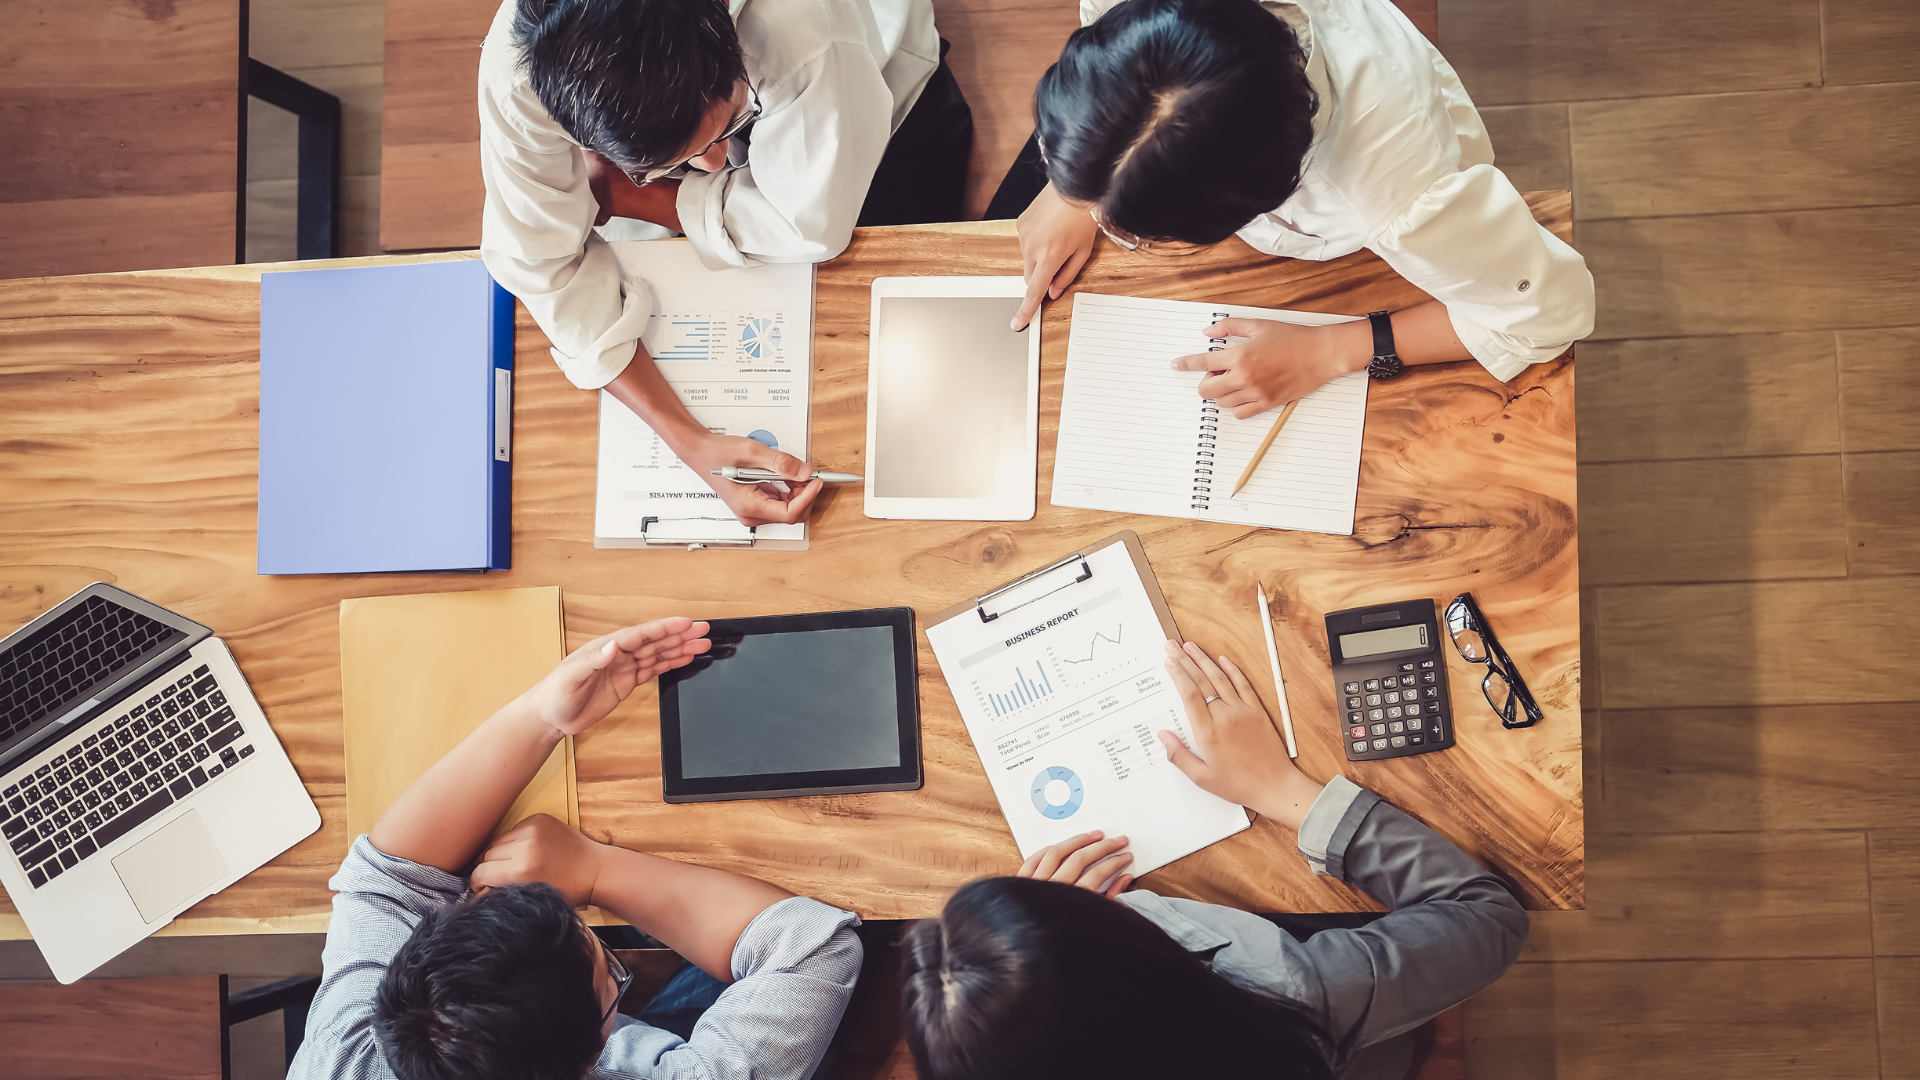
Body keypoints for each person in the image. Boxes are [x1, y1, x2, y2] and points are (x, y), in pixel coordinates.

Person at [900, 638, 1529, 1080]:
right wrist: (1283, 792)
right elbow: (1486, 917)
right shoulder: (1291, 994)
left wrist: (1032, 962)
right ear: (1142, 968)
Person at [288, 617, 863, 1080]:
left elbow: (390, 881)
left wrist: (540, 716)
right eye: (604, 966)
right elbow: (814, 944)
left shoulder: (345, 1060)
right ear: (596, 1050)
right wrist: (596, 871)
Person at [478, 0, 973, 525]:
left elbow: (810, 224)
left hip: (865, 76)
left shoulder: (795, 28)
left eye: (726, 126)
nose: (715, 165)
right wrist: (690, 443)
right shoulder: (518, 78)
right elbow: (545, 269)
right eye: (670, 165)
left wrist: (637, 195)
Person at [991, 0, 1594, 418]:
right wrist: (1088, 173)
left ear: (1261, 194)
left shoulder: (1397, 191)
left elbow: (1548, 315)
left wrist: (1330, 349)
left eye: (1143, 232)